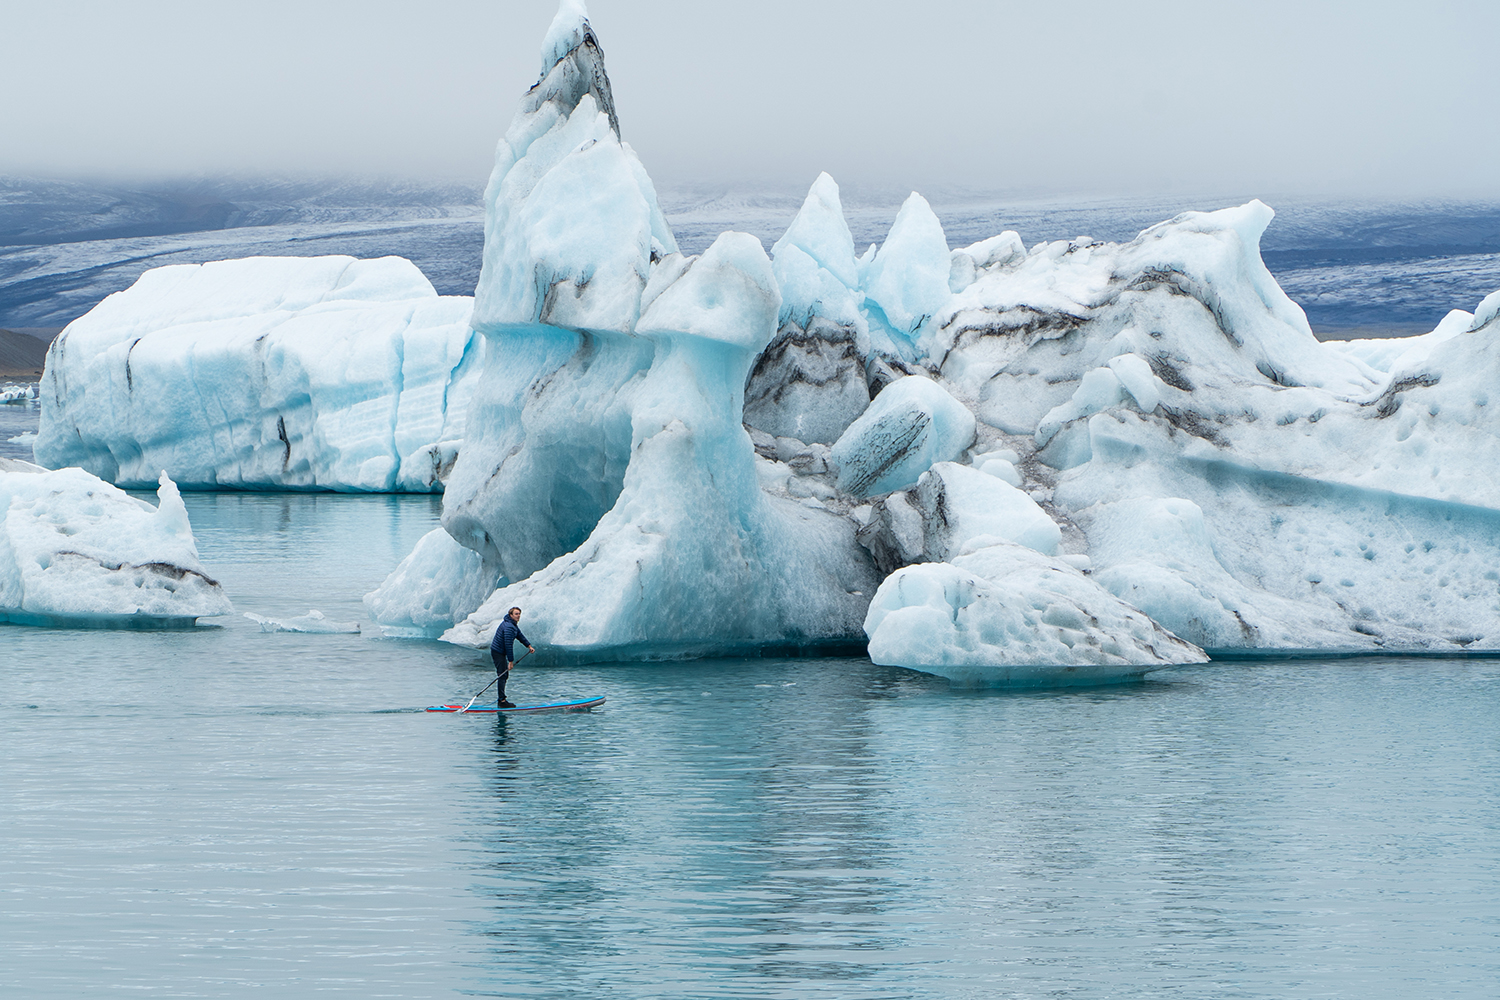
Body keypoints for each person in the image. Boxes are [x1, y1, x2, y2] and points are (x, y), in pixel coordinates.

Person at [489, 606, 535, 708]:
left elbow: (520, 636)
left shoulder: (512, 625)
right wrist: (510, 661)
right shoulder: (509, 627)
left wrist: (529, 646)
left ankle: (501, 699)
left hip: (500, 652)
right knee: (502, 675)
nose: (518, 616)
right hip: (498, 652)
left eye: (519, 614)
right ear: (511, 615)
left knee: (504, 675)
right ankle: (502, 701)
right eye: (516, 614)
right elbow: (508, 645)